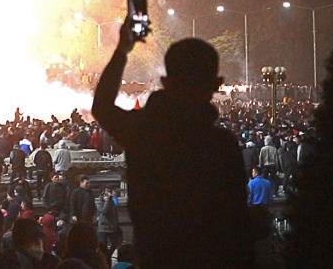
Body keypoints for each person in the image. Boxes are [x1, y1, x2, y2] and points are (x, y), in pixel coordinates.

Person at [92, 18, 252, 267]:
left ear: (166, 82)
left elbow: (101, 106)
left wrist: (123, 49)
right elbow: (238, 224)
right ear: (214, 85)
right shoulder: (221, 145)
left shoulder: (144, 132)